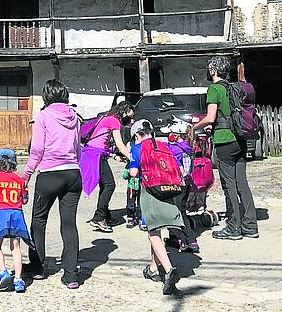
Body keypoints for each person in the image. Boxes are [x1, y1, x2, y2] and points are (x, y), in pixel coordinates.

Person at [189, 56, 257, 241]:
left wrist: (194, 127)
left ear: (213, 71)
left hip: (224, 141)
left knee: (229, 185)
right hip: (240, 139)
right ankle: (250, 226)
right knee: (242, 182)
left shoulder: (215, 89)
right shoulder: (233, 88)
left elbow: (210, 117)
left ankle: (233, 227)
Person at [22, 79, 81, 289]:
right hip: (73, 174)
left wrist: (27, 174)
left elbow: (37, 149)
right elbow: (78, 147)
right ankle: (72, 275)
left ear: (46, 96)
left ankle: (37, 268)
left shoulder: (44, 116)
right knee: (69, 223)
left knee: (38, 221)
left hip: (49, 174)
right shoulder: (74, 116)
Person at [128, 120, 182, 295]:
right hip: (168, 190)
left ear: (137, 135)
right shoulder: (163, 145)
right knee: (157, 231)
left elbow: (134, 173)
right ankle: (153, 269)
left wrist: (129, 168)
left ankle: (168, 270)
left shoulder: (138, 148)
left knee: (152, 233)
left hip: (150, 192)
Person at [0, 149, 33, 293]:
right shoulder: (19, 180)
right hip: (16, 215)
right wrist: (25, 190)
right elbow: (25, 201)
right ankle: (19, 279)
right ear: (14, 163)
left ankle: (4, 272)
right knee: (15, 247)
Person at [80, 97, 133, 233]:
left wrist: (114, 156)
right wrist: (132, 158)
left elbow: (101, 142)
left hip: (93, 153)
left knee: (105, 185)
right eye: (130, 117)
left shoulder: (107, 117)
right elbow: (120, 144)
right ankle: (99, 218)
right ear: (125, 112)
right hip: (95, 155)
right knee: (110, 185)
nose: (131, 121)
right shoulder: (114, 120)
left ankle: (105, 215)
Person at [161, 120, 200, 253]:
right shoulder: (186, 145)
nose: (168, 137)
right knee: (175, 209)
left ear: (176, 135)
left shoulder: (177, 148)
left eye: (170, 134)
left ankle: (190, 241)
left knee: (177, 212)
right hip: (186, 183)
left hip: (178, 184)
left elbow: (163, 150)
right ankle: (174, 237)